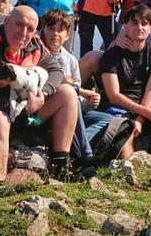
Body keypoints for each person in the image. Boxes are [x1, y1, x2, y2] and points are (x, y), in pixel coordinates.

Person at [0, 6, 80, 182]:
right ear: (6, 23)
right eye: (19, 24)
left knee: (67, 93)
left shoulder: (35, 44)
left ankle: (60, 166)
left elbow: (57, 71)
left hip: (29, 119)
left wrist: (43, 95)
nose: (24, 32)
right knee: (0, 119)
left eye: (30, 28)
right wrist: (23, 109)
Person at [88, 4, 151, 158]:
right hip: (117, 109)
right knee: (125, 131)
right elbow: (113, 95)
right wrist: (148, 115)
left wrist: (141, 120)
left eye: (144, 24)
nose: (140, 27)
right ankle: (126, 170)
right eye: (134, 23)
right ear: (125, 26)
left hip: (143, 111)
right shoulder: (111, 55)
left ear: (150, 27)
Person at [38, 9, 104, 162]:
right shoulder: (36, 54)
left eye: (60, 30)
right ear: (43, 29)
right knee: (69, 96)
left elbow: (77, 103)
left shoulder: (71, 61)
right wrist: (79, 93)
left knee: (106, 119)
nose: (55, 34)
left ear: (67, 35)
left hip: (69, 113)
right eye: (51, 28)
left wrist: (89, 103)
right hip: (37, 118)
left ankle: (80, 144)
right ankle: (85, 155)